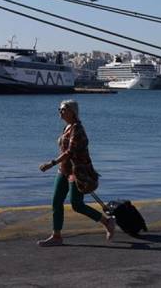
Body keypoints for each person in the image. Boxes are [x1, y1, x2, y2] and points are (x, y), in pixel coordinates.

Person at [37, 99, 115, 247]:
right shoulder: (67, 127)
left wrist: (51, 163)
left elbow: (70, 152)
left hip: (77, 171)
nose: (60, 112)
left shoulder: (78, 129)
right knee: (56, 201)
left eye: (63, 109)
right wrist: (58, 165)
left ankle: (107, 222)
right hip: (64, 170)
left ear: (73, 112)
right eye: (59, 109)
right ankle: (57, 236)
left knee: (77, 205)